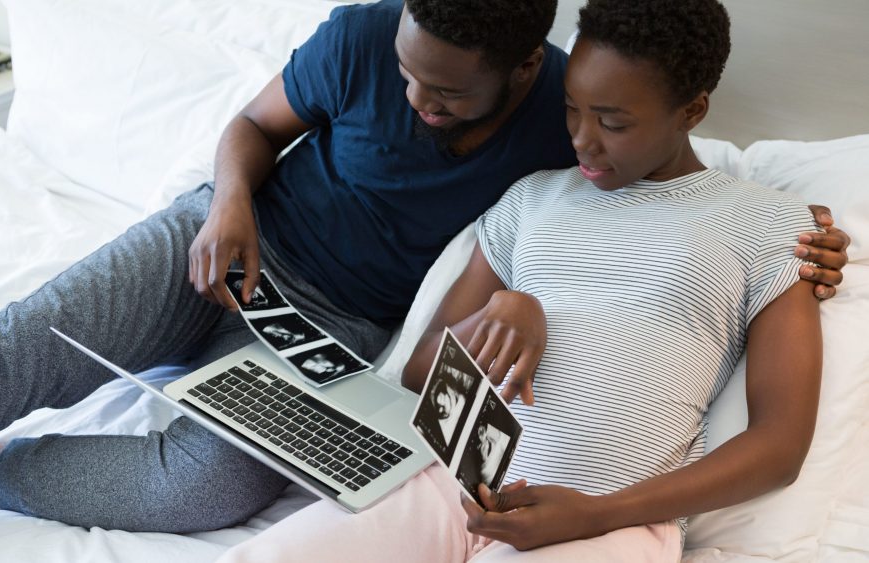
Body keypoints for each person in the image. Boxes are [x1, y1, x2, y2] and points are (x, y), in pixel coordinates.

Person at [0, 0, 847, 534]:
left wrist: (795, 232)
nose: (414, 99)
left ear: (523, 72)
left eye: (443, 94)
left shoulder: (571, 134)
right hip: (229, 242)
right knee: (24, 346)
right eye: (407, 74)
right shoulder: (365, 36)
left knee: (199, 489)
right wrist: (227, 201)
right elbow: (252, 128)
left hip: (334, 330)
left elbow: (675, 192)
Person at [216, 0, 825, 561]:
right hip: (445, 480)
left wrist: (596, 514)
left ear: (691, 110)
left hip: (610, 518)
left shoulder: (771, 226)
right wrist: (501, 310)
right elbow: (417, 370)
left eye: (612, 122)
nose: (581, 141)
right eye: (571, 110)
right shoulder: (530, 200)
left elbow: (779, 447)